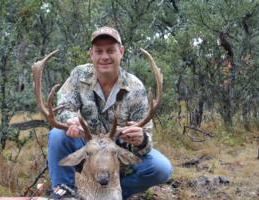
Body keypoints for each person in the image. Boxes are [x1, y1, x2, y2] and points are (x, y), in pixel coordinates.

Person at [48, 26, 172, 199]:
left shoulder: (135, 88)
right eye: (99, 51)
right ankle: (64, 194)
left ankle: (107, 192)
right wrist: (71, 120)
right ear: (91, 54)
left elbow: (147, 142)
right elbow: (62, 108)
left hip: (118, 155)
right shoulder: (79, 75)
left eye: (111, 50)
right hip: (87, 149)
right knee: (57, 135)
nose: (105, 56)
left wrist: (141, 139)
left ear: (121, 52)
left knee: (160, 168)